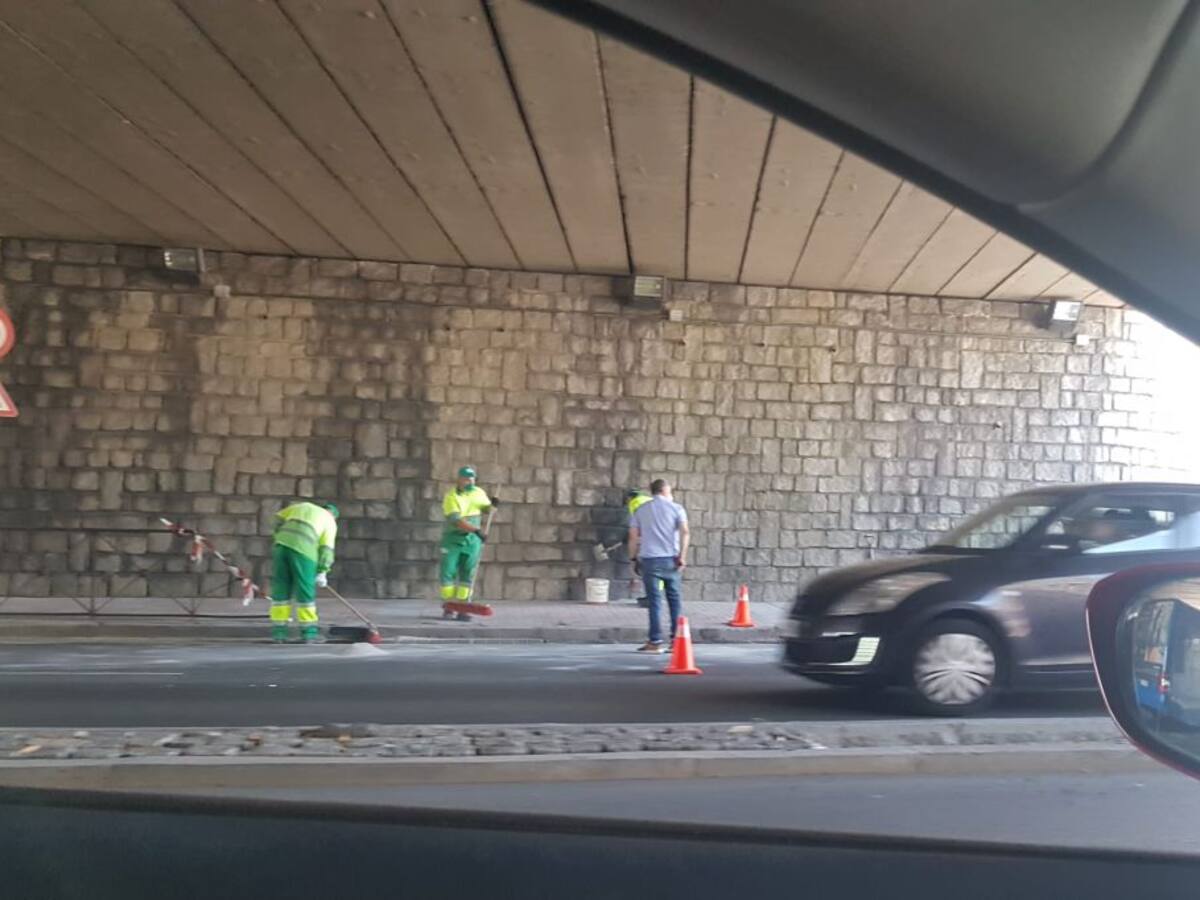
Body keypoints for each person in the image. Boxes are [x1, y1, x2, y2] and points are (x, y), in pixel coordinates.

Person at [627, 479, 690, 653]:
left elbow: (632, 537)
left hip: (650, 560)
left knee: (654, 602)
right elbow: (685, 532)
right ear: (664, 491)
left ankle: (654, 641)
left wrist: (633, 559)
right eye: (670, 491)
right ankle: (676, 641)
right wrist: (682, 556)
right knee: (674, 600)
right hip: (672, 560)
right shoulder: (677, 509)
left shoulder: (640, 510)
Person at [270, 501, 339, 644]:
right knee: (304, 590)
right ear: (334, 516)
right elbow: (326, 550)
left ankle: (279, 633)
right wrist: (322, 572)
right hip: (304, 550)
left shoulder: (302, 506)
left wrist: (280, 537)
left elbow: (277, 518)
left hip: (281, 547)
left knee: (281, 589)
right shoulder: (329, 521)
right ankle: (309, 634)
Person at [440, 466, 497, 620]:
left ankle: (463, 607)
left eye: (472, 478)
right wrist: (477, 531)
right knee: (448, 573)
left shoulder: (478, 493)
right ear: (459, 479)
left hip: (472, 542)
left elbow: (486, 509)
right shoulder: (451, 496)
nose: (469, 481)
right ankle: (449, 606)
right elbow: (456, 520)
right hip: (453, 539)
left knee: (468, 574)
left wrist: (492, 506)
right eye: (466, 478)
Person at [625, 488, 653, 607]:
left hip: (647, 541)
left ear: (629, 498)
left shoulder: (633, 504)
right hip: (659, 538)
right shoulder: (649, 500)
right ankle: (652, 596)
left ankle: (650, 598)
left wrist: (633, 556)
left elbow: (636, 526)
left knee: (645, 568)